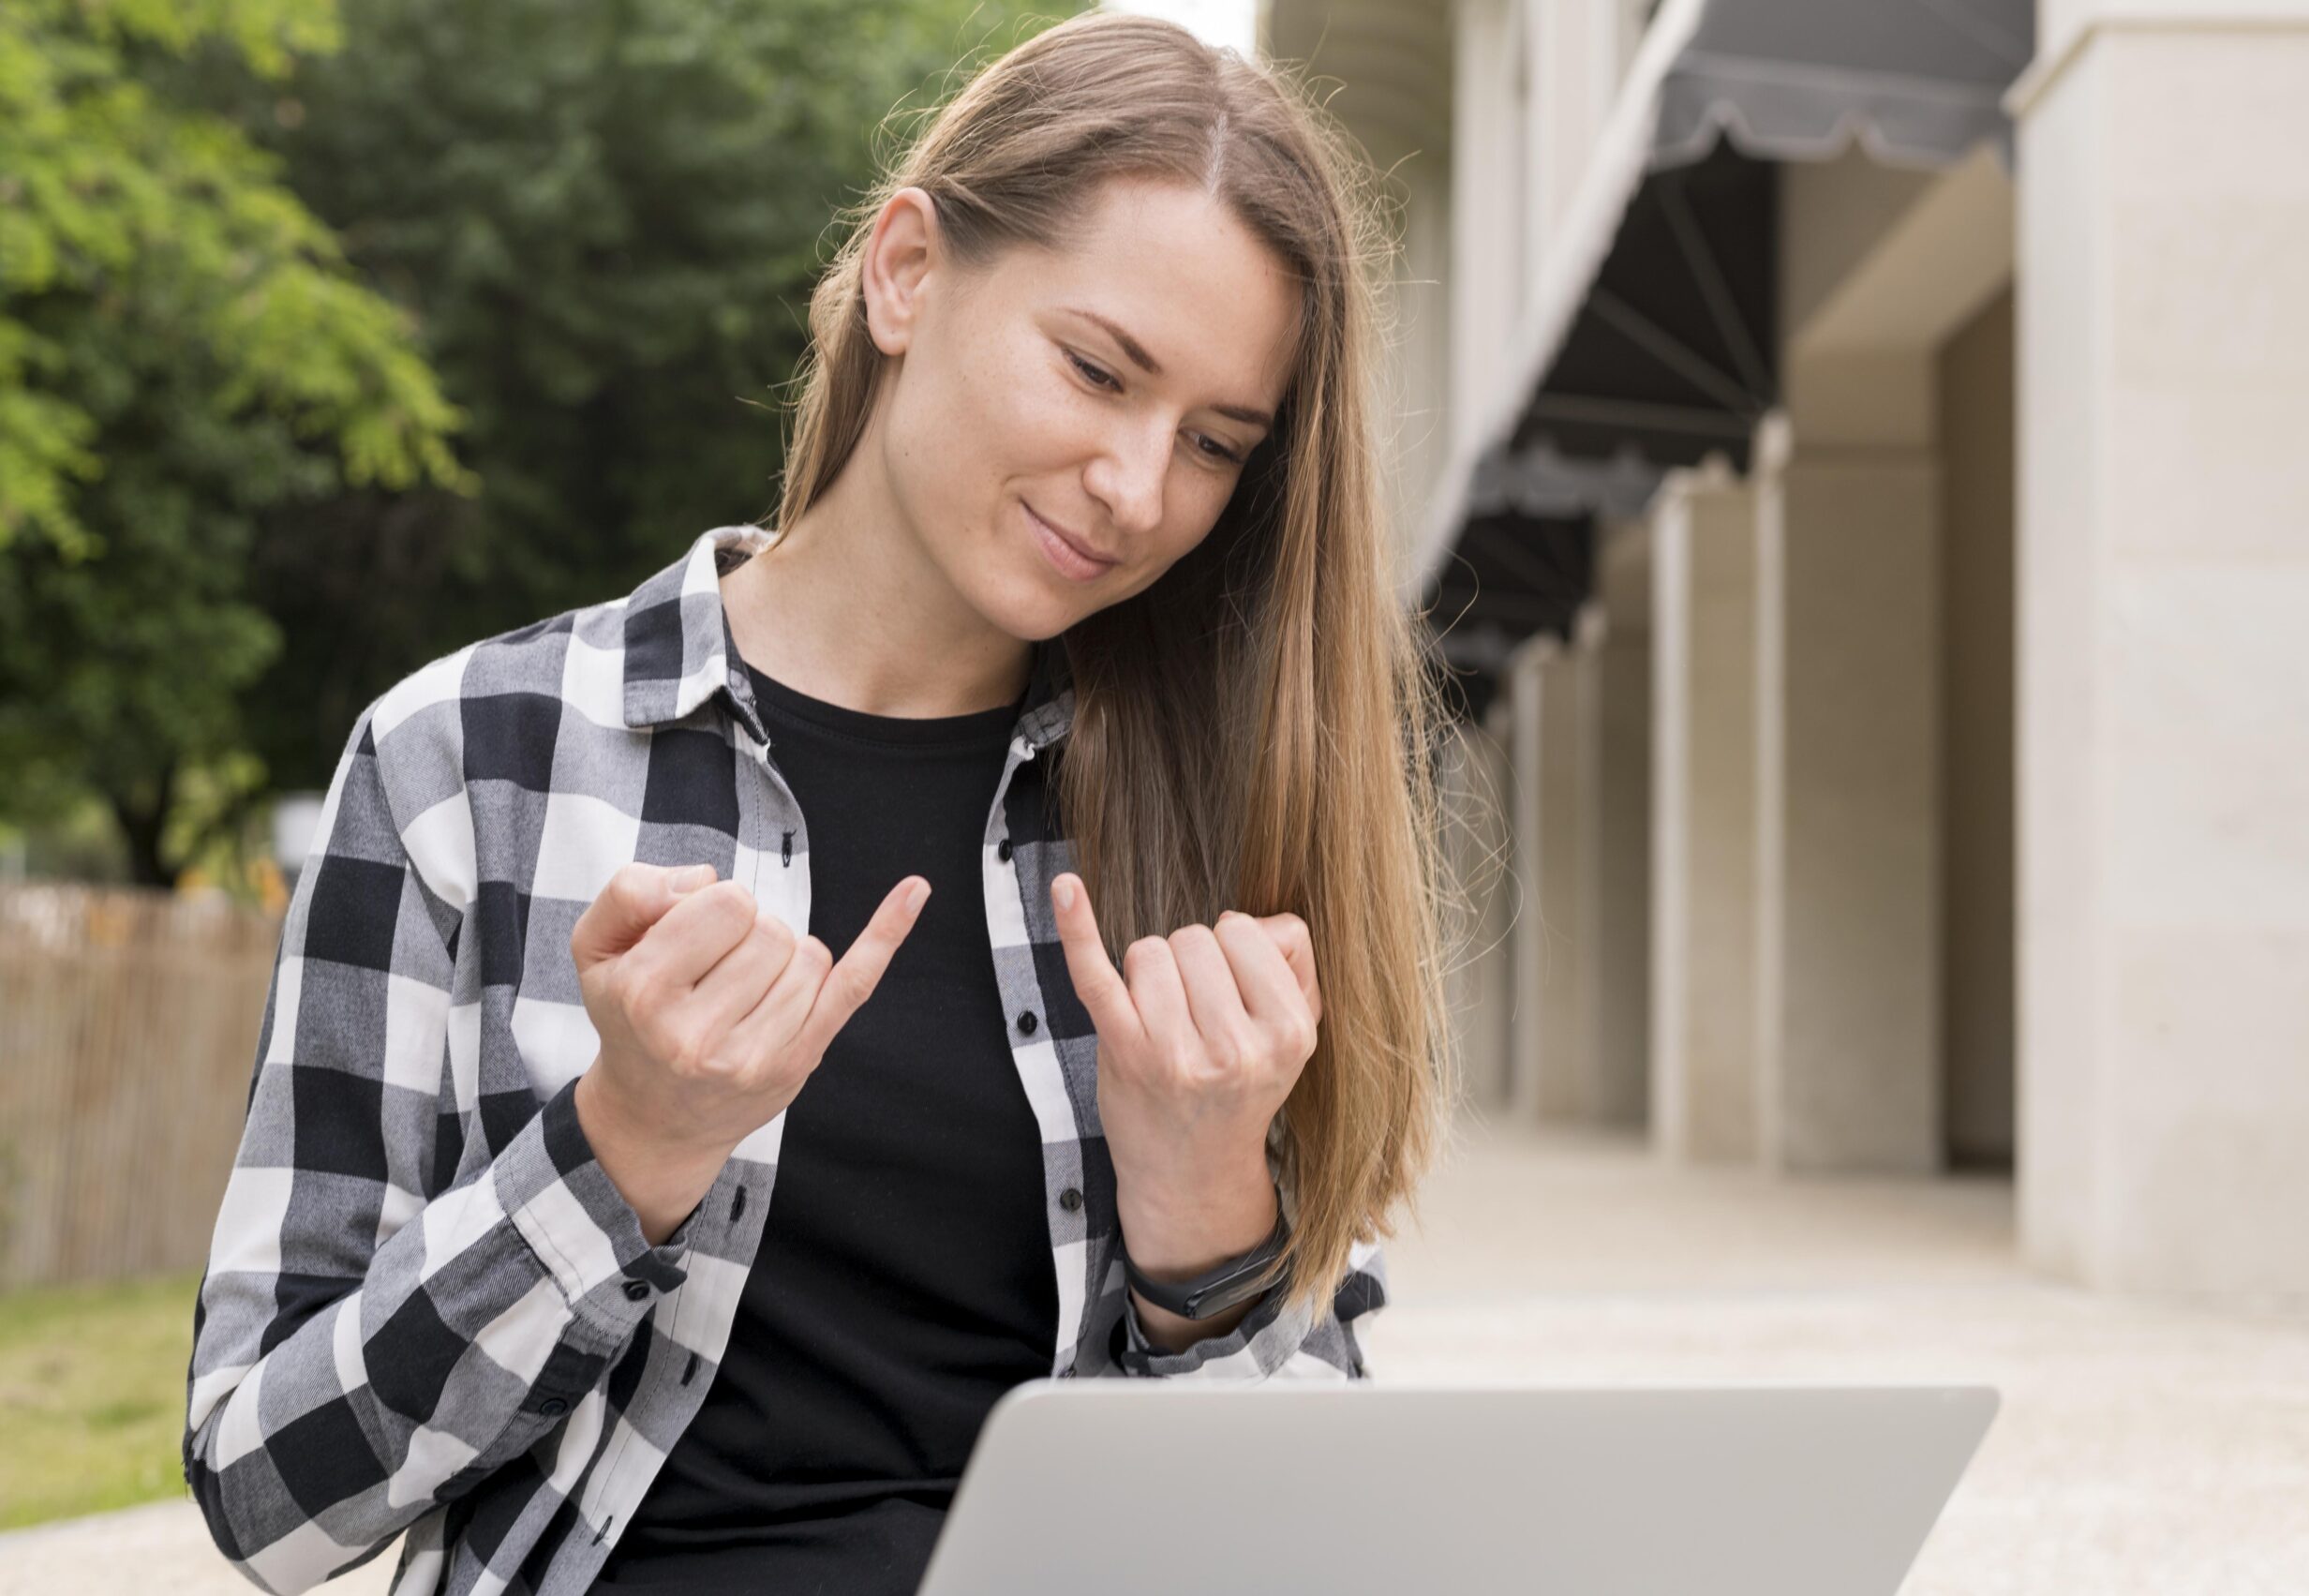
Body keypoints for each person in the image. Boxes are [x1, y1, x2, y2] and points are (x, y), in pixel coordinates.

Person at [182, 11, 1460, 1595]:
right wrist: (620, 1150)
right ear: (908, 271)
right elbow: (267, 1493)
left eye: (1212, 443)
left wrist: (1209, 1226)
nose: (1139, 489)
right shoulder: (470, 764)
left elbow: (1300, 1547)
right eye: (1096, 368)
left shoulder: (1203, 827)